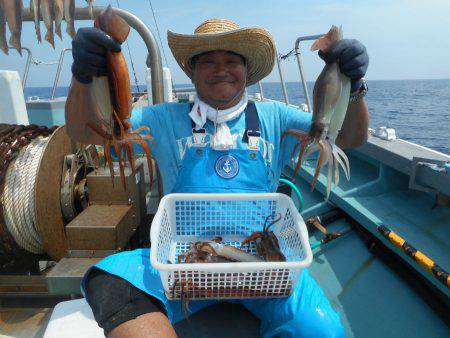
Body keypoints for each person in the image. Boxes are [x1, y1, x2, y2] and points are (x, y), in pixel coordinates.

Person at [69, 18, 369, 338]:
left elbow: (349, 137)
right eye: (208, 61)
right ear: (193, 71)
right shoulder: (162, 118)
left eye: (231, 61)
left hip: (265, 268)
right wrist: (84, 77)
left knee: (321, 329)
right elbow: (85, 133)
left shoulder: (277, 118)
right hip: (182, 263)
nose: (220, 69)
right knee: (110, 282)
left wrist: (353, 87)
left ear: (247, 69)